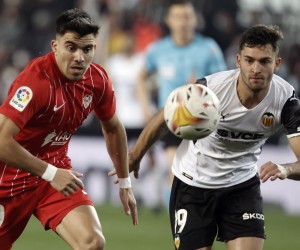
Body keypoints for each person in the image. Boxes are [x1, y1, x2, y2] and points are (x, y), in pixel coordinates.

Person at [113, 24, 300, 249]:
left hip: (241, 186)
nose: (256, 68)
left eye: (264, 61)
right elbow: (165, 116)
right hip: (194, 184)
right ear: (238, 60)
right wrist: (135, 154)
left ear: (277, 64)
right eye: (249, 60)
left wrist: (285, 169)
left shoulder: (286, 100)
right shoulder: (211, 89)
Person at [0, 8, 137, 250]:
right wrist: (51, 173)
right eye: (71, 47)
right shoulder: (34, 82)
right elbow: (1, 142)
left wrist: (125, 180)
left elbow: (113, 127)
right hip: (9, 179)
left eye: (87, 49)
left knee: (92, 243)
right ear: (55, 46)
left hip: (53, 175)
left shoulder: (98, 80)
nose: (79, 57)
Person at [136, 0, 226, 202]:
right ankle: (177, 221)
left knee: (201, 175)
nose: (182, 22)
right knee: (173, 170)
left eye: (187, 16)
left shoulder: (209, 48)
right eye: (177, 17)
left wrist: (201, 87)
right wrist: (144, 107)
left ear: (195, 20)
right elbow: (141, 77)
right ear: (168, 20)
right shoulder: (158, 49)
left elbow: (225, 83)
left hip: (204, 120)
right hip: (172, 118)